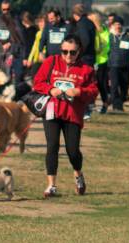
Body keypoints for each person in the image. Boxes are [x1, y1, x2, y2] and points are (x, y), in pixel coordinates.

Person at [33, 35, 98, 198]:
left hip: (73, 115)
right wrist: (50, 90)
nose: (68, 55)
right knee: (52, 146)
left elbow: (94, 92)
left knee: (72, 151)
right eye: (64, 51)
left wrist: (79, 91)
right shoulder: (51, 62)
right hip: (51, 111)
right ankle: (51, 185)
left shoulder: (87, 70)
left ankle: (78, 174)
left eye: (72, 52)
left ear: (79, 52)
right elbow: (37, 82)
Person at [0, 0, 26, 84]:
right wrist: (0, 44)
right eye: (3, 9)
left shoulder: (16, 20)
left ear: (11, 9)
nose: (6, 11)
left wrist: (10, 43)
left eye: (7, 9)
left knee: (8, 72)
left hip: (11, 51)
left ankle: (8, 90)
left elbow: (19, 37)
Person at [108, 19, 129, 112]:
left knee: (125, 86)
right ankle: (116, 106)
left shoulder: (127, 36)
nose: (118, 26)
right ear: (113, 26)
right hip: (113, 65)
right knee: (114, 86)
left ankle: (120, 103)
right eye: (116, 24)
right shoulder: (109, 36)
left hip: (126, 65)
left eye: (119, 25)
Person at [89, 12, 110, 113]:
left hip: (98, 61)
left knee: (96, 84)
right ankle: (104, 103)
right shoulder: (105, 30)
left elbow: (99, 48)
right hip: (103, 60)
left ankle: (95, 104)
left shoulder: (95, 32)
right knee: (101, 84)